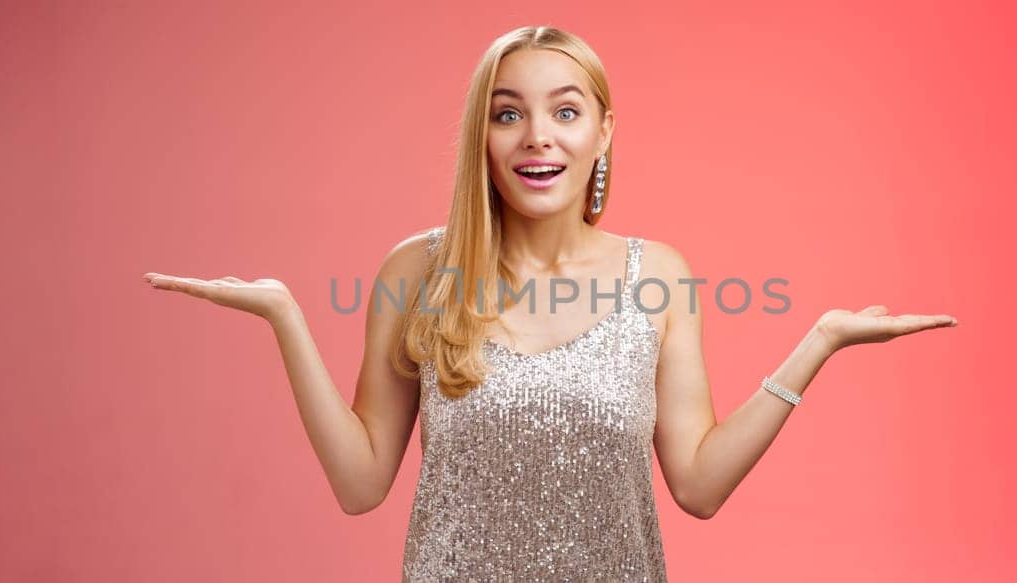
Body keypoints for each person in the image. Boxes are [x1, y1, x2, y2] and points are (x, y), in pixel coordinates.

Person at [144, 25, 957, 582]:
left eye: (566, 111)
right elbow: (360, 484)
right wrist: (286, 314)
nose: (538, 135)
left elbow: (700, 487)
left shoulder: (658, 276)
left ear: (603, 133)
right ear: (482, 137)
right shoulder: (415, 271)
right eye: (509, 114)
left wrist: (817, 343)